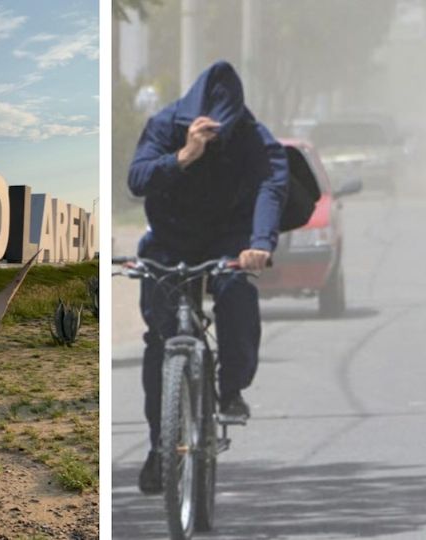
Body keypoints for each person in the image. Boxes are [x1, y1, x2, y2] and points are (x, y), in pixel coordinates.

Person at [128, 61, 289, 493]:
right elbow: (136, 179)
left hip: (228, 237)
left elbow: (271, 185)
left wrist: (259, 243)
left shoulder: (253, 136)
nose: (216, 138)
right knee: (159, 337)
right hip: (170, 236)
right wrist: (183, 156)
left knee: (236, 291)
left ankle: (232, 386)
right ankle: (160, 446)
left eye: (223, 132)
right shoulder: (165, 124)